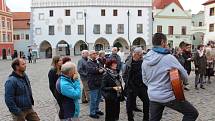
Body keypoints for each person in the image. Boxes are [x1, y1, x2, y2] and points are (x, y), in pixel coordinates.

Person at [142, 33, 198, 121]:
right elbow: (185, 75)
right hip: (167, 96)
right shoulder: (168, 58)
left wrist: (154, 87)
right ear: (162, 42)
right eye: (166, 42)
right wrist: (183, 82)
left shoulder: (145, 60)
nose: (166, 44)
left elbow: (144, 80)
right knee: (192, 113)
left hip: (153, 96)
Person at [123, 47, 149, 121]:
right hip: (131, 87)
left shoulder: (144, 62)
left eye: (141, 54)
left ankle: (146, 118)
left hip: (142, 86)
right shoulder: (128, 63)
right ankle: (130, 119)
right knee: (129, 105)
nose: (141, 56)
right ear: (135, 54)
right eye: (140, 54)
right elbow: (124, 75)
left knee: (147, 102)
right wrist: (128, 83)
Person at [86, 50, 104, 119]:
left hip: (99, 82)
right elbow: (92, 70)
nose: (95, 54)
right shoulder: (88, 62)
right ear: (90, 55)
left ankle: (96, 110)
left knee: (98, 98)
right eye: (93, 53)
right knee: (93, 99)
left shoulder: (97, 61)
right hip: (93, 84)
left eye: (96, 53)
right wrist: (98, 70)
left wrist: (100, 69)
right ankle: (92, 113)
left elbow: (101, 68)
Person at [48, 56, 63, 120]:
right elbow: (51, 85)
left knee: (63, 108)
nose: (61, 61)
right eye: (60, 60)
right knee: (62, 108)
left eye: (61, 60)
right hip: (57, 93)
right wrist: (55, 94)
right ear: (56, 62)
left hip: (62, 92)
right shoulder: (52, 71)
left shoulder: (61, 69)